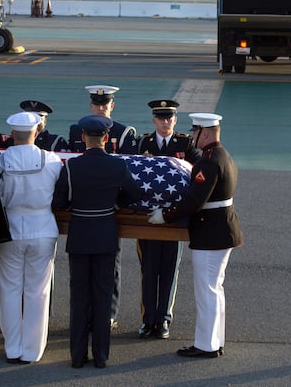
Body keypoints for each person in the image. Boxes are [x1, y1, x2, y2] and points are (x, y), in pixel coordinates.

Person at [148, 113, 242, 358]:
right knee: (214, 289)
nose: (191, 137)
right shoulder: (223, 155)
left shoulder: (208, 162)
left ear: (206, 133)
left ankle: (206, 345)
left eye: (195, 132)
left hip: (211, 232)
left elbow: (194, 200)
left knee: (207, 290)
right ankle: (215, 340)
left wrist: (165, 215)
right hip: (221, 229)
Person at [52, 115, 141, 369]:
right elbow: (134, 194)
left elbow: (58, 202)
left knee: (79, 297)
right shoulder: (117, 166)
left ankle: (77, 356)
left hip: (80, 235)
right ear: (106, 139)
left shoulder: (72, 167)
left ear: (82, 138)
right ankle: (101, 355)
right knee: (102, 296)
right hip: (105, 235)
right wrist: (114, 203)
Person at [0, 111, 64, 364]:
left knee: (10, 289)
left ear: (12, 134)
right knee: (38, 292)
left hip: (10, 228)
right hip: (43, 226)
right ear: (37, 132)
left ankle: (12, 348)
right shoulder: (52, 160)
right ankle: (33, 350)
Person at [67, 85, 138, 329]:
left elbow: (131, 169)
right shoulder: (77, 130)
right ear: (91, 106)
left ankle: (108, 313)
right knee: (84, 274)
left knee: (110, 270)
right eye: (96, 104)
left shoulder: (125, 132)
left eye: (104, 104)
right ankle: (87, 314)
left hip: (108, 209)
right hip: (92, 209)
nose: (100, 108)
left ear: (112, 106)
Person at [135, 99, 199, 340]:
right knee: (148, 269)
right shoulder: (143, 143)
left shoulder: (186, 144)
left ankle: (163, 319)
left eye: (169, 118)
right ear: (154, 121)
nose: (165, 122)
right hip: (146, 219)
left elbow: (196, 172)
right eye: (161, 118)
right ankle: (147, 319)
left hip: (174, 219)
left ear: (175, 120)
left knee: (169, 270)